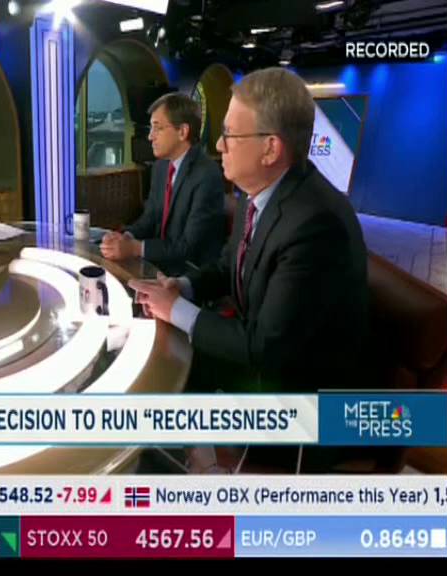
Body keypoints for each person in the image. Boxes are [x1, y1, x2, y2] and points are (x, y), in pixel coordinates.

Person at [130, 68, 369, 393]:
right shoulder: (255, 190)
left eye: (229, 134)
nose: (219, 144)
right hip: (253, 353)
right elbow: (229, 265)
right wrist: (182, 286)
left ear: (270, 149)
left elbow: (264, 348)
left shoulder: (316, 225)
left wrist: (175, 309)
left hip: (295, 393)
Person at [100, 92, 226, 276]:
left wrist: (135, 248)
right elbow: (150, 218)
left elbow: (188, 247)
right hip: (160, 266)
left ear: (182, 132)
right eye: (151, 128)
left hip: (191, 275)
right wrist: (125, 237)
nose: (150, 137)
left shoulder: (207, 174)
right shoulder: (161, 166)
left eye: (157, 128)